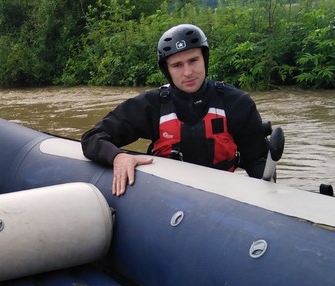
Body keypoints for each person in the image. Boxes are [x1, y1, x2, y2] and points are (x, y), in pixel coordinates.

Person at [81, 24, 269, 196]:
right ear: (167, 70)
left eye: (193, 60)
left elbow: (257, 160)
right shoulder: (151, 105)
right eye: (177, 65)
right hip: (169, 197)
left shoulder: (237, 103)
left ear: (205, 59)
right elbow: (92, 137)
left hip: (221, 196)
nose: (187, 72)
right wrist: (118, 156)